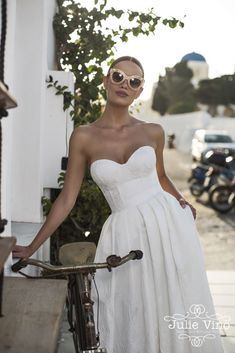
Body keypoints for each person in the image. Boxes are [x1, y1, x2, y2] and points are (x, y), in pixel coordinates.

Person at [13, 56, 225, 353]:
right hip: (124, 233)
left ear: (139, 91)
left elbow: (161, 176)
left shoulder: (153, 132)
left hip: (167, 226)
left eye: (134, 81)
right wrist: (32, 246)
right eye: (118, 76)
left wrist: (181, 200)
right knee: (132, 308)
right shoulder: (83, 136)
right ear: (106, 80)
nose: (125, 84)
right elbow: (67, 199)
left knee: (175, 298)